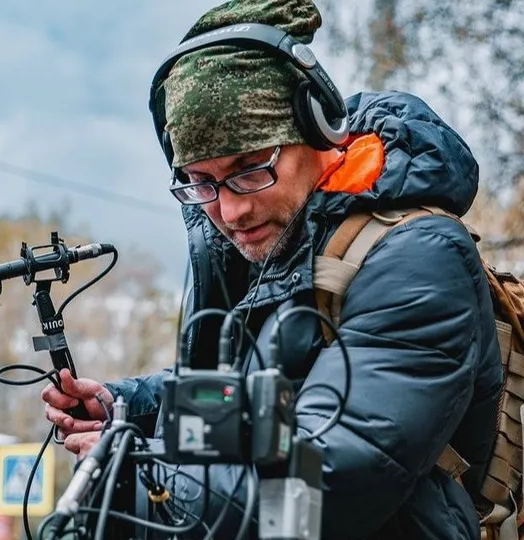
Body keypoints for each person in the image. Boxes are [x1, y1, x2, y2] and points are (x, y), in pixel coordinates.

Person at [40, 0, 505, 538]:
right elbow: (260, 409)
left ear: (318, 128)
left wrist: (141, 484)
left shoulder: (417, 257)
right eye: (201, 183)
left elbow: (339, 471)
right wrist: (128, 407)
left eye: (250, 170)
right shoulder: (285, 249)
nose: (231, 211)